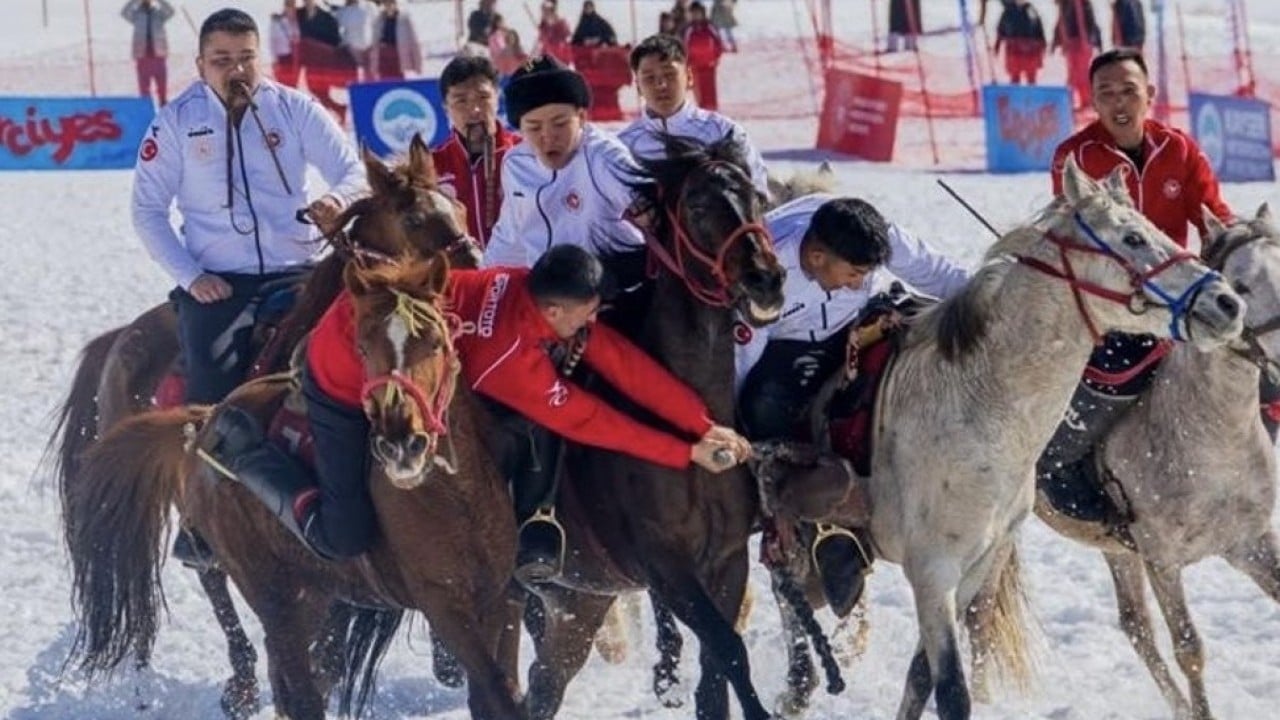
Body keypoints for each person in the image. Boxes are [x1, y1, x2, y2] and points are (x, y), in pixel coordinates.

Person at [207, 244, 752, 582]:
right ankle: (244, 453)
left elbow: (617, 358)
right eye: (588, 311)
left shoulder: (522, 283)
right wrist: (684, 453)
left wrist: (701, 424)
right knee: (342, 536)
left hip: (396, 342)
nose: (595, 317)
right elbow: (587, 419)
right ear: (555, 310)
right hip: (345, 380)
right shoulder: (508, 360)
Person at [131, 8, 365, 567]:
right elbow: (147, 210)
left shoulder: (294, 107)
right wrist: (192, 276)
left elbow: (351, 169)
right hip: (221, 282)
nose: (236, 70)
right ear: (200, 64)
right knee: (209, 377)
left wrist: (340, 201)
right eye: (221, 61)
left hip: (299, 268)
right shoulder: (176, 121)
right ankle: (201, 516)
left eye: (245, 58)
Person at [1042, 48, 1248, 535]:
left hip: (1179, 294)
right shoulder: (1075, 158)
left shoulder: (1180, 149)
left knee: (1252, 345)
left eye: (1128, 91)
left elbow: (1216, 219)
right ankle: (1064, 461)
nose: (1118, 102)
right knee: (1119, 364)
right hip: (1114, 302)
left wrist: (1238, 258)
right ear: (1092, 100)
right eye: (1105, 93)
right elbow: (1076, 236)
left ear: (1149, 95)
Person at [737, 195, 970, 614]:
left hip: (867, 320)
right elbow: (745, 353)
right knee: (766, 408)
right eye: (853, 273)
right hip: (787, 344)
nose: (859, 279)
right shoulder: (764, 268)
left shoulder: (866, 231)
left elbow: (932, 271)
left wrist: (986, 299)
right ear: (816, 256)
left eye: (867, 272)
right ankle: (811, 517)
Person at [482, 56, 646, 268]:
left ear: (581, 117)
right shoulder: (516, 164)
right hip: (546, 290)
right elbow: (510, 234)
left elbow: (643, 196)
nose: (548, 136)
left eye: (560, 124)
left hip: (611, 286)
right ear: (520, 129)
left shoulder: (602, 155)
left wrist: (645, 206)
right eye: (534, 127)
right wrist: (482, 283)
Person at [618, 34, 769, 198]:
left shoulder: (723, 133)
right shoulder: (622, 148)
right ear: (638, 87)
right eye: (649, 78)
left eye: (669, 74)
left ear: (689, 77)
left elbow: (757, 195)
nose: (661, 84)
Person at [432, 54, 520, 248]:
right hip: (462, 275)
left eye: (483, 97)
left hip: (518, 272)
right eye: (461, 101)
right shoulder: (431, 166)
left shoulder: (524, 154)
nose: (475, 110)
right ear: (446, 107)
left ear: (498, 98)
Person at [121, 0, 175, 106]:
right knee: (144, 91)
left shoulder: (159, 14)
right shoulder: (137, 14)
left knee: (162, 89)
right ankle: (147, 112)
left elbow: (171, 11)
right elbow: (124, 12)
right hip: (142, 57)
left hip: (159, 56)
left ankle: (164, 111)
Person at [1052, 0, 1102, 108]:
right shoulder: (1065, 5)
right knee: (1074, 74)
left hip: (1082, 43)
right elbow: (1061, 22)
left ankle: (1085, 102)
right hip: (1072, 43)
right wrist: (1056, 41)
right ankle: (1071, 102)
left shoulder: (1083, 4)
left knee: (1081, 74)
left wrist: (1094, 41)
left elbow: (1091, 23)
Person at [682, 2, 725, 111]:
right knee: (699, 89)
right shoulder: (689, 30)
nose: (696, 16)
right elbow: (685, 46)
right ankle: (702, 110)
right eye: (694, 13)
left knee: (710, 88)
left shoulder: (709, 27)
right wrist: (687, 62)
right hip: (695, 65)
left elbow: (718, 42)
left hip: (709, 64)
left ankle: (713, 109)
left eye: (698, 13)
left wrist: (716, 56)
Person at [994, 0, 1047, 85]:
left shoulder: (1030, 10)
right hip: (1016, 47)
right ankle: (1020, 95)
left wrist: (1042, 43)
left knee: (1029, 78)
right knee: (1017, 77)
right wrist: (997, 45)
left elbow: (1038, 27)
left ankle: (1030, 95)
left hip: (1028, 48)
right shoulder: (1007, 12)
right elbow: (1001, 30)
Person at [371, 0, 422, 80]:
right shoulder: (379, 19)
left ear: (395, 4)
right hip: (384, 56)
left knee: (398, 81)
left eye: (391, 3)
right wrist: (373, 66)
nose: (389, 6)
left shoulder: (404, 19)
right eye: (386, 4)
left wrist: (418, 64)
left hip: (398, 55)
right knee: (384, 82)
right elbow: (374, 43)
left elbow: (413, 42)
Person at [333, 0, 375, 80]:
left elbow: (377, 26)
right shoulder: (341, 12)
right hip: (350, 56)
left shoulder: (370, 6)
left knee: (370, 80)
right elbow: (338, 33)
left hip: (369, 53)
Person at [268, 1, 300, 87]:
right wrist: (274, 59)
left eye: (292, 7)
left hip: (294, 58)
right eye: (289, 6)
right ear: (285, 7)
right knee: (282, 84)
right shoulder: (277, 22)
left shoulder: (296, 22)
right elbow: (272, 42)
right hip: (282, 57)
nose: (291, 9)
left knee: (293, 85)